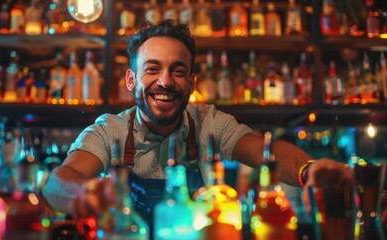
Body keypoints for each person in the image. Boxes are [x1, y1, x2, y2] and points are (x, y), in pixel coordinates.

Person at [42, 19, 353, 232]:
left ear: (191, 82)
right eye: (153, 69)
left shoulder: (209, 122)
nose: (165, 81)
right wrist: (85, 193)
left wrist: (308, 170)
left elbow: (267, 152)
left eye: (177, 71)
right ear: (131, 79)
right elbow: (58, 182)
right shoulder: (110, 129)